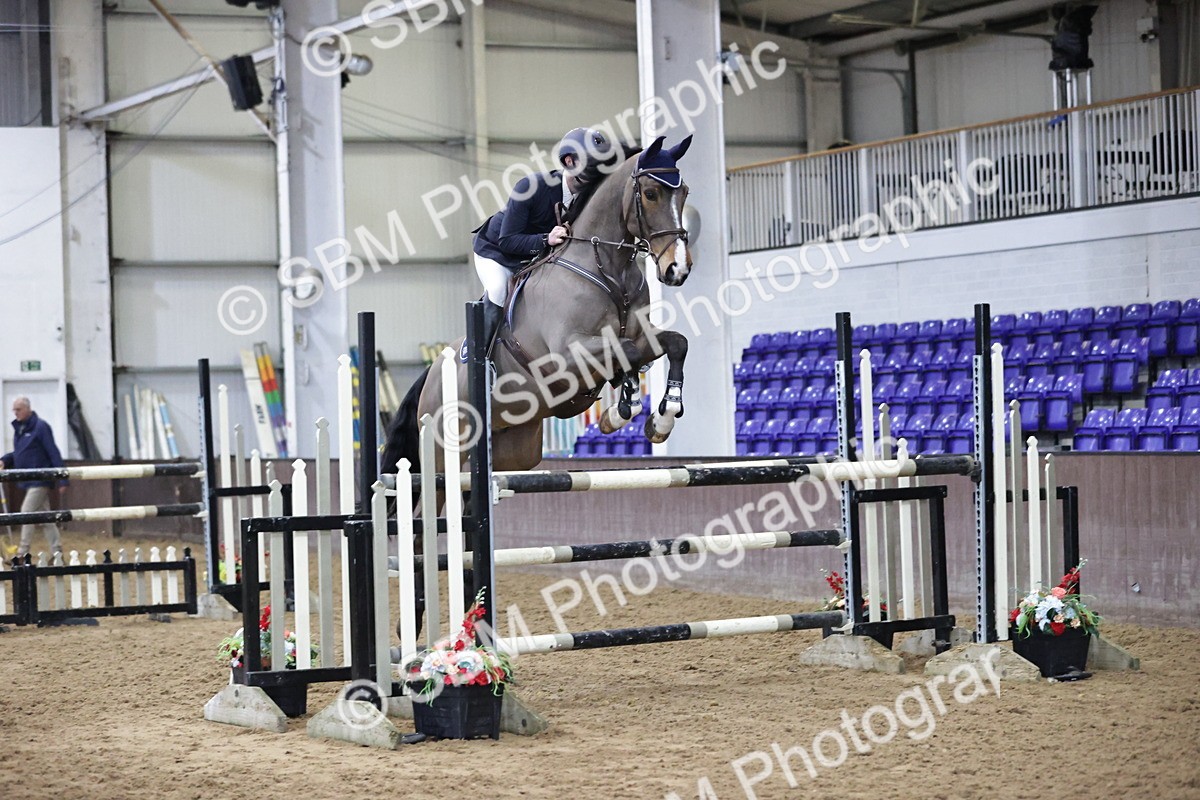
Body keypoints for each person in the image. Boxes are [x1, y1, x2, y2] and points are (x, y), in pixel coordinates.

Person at [472, 127, 614, 344]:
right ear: (569, 161)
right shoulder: (531, 186)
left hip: (537, 257)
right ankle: (479, 356)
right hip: (497, 252)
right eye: (592, 164)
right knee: (499, 289)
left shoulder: (589, 198)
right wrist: (545, 239)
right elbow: (507, 240)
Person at [0, 397, 65, 558]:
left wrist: (63, 477)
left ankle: (22, 552)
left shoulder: (41, 427)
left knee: (26, 512)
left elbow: (53, 452)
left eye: (19, 409)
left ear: (28, 409)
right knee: (46, 518)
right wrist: (6, 459)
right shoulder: (21, 429)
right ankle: (57, 553)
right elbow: (21, 452)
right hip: (31, 480)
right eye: (14, 410)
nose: (16, 413)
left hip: (40, 478)